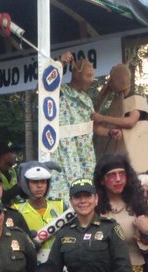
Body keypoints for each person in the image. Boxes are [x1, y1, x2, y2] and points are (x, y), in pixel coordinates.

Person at [91, 64, 148, 174]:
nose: (111, 83)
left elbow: (130, 122)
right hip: (119, 157)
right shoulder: (117, 102)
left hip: (136, 157)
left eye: (113, 79)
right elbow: (95, 109)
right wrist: (104, 93)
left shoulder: (136, 98)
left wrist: (103, 118)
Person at [49, 52, 97, 201]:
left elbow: (92, 125)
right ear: (76, 75)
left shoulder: (87, 100)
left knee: (86, 192)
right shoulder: (60, 92)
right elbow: (43, 87)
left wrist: (110, 132)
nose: (92, 80)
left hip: (85, 154)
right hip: (65, 151)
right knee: (66, 192)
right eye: (88, 75)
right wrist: (60, 64)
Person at [13, 162, 65, 262]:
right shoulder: (16, 209)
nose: (39, 186)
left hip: (59, 265)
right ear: (26, 183)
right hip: (31, 265)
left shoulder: (60, 205)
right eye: (34, 182)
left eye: (43, 181)